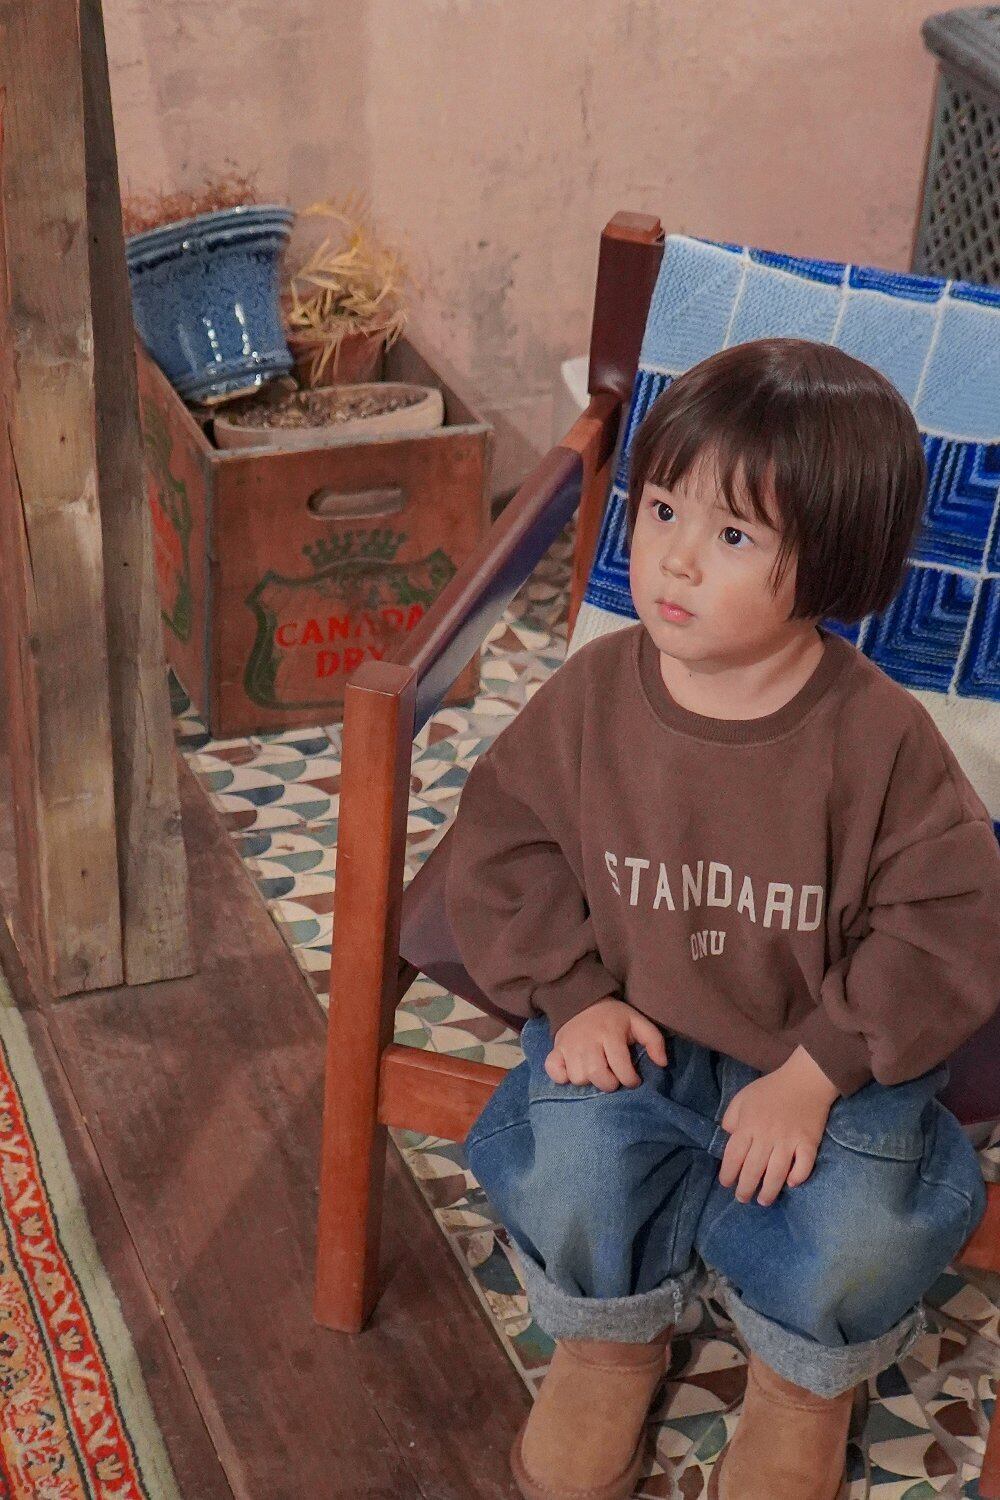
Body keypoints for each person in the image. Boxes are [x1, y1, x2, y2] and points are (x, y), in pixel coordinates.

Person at [442, 337, 1000, 1500]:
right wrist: (572, 995)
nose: (675, 559)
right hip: (638, 1021)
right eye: (660, 510)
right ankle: (610, 1340)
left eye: (734, 535)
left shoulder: (877, 737)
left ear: (831, 557)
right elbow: (505, 842)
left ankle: (801, 1381)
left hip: (825, 1056)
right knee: (570, 1149)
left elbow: (946, 918)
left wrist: (820, 1069)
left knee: (860, 1221)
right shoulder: (592, 699)